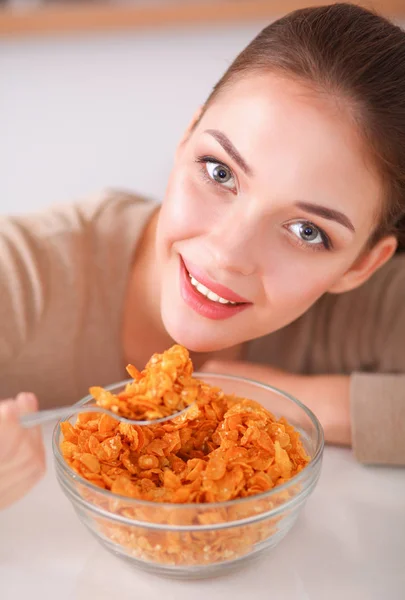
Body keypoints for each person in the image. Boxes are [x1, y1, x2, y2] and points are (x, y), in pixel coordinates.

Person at [1, 2, 404, 510]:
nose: (228, 253)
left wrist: (281, 395)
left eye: (306, 231)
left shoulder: (373, 305)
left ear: (361, 265)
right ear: (186, 137)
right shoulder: (23, 275)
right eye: (219, 172)